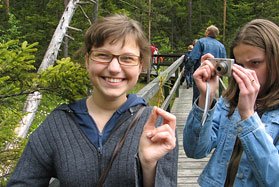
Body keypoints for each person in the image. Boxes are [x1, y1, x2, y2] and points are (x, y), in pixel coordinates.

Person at [7, 14, 178, 187]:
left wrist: (149, 166)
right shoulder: (58, 124)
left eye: (127, 58)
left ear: (140, 66)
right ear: (87, 60)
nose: (113, 68)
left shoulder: (157, 126)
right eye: (103, 55)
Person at [183, 19, 279, 186]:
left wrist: (248, 117)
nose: (246, 72)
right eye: (240, 65)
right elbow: (195, 150)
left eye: (255, 63)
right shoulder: (229, 102)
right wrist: (206, 98)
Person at [188, 25, 227, 104]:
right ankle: (211, 115)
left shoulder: (200, 42)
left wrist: (187, 71)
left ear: (208, 33)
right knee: (212, 98)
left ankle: (198, 115)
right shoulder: (221, 46)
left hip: (201, 75)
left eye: (206, 30)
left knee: (198, 98)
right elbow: (224, 63)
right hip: (214, 76)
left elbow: (193, 58)